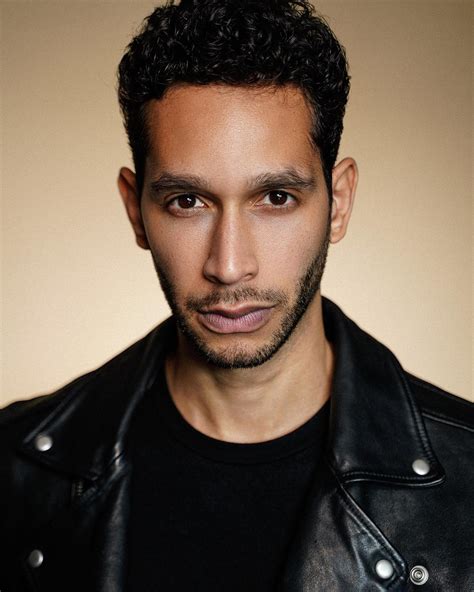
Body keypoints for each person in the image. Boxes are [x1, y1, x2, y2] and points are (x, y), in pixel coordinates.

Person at [1, 0, 472, 590]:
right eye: (187, 202)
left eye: (275, 198)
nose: (228, 267)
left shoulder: (467, 480)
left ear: (339, 202)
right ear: (136, 210)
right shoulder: (17, 468)